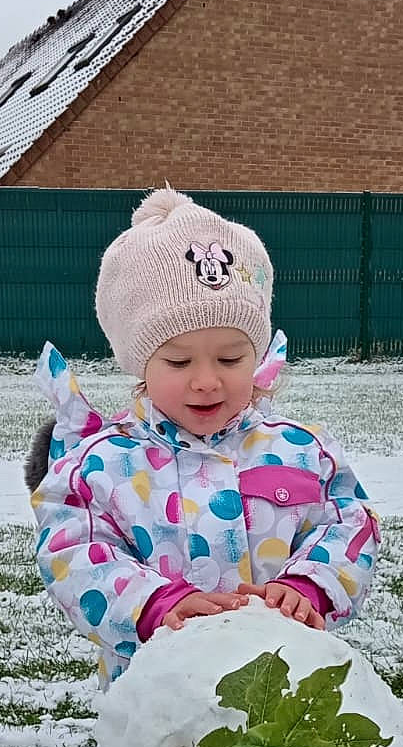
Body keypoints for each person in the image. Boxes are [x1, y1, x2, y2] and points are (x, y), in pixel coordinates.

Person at [24, 188, 379, 685]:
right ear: (139, 362)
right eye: (178, 361)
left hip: (283, 689)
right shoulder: (100, 466)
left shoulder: (301, 451)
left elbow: (348, 525)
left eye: (231, 358)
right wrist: (151, 603)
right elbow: (72, 552)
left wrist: (311, 586)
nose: (207, 380)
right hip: (158, 699)